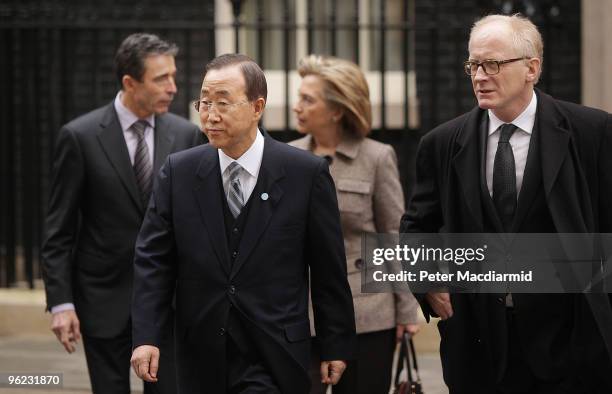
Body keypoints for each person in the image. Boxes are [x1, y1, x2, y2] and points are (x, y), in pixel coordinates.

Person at [401, 14, 612, 394]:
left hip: (571, 345)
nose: (480, 76)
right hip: (479, 346)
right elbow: (417, 226)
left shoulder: (592, 132)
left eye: (493, 64)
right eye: (473, 64)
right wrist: (428, 281)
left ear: (532, 68)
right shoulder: (441, 143)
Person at [130, 53, 356, 394]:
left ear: (257, 107)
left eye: (223, 102)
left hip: (275, 353)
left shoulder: (304, 174)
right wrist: (146, 337)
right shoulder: (179, 172)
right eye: (204, 102)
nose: (211, 115)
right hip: (199, 354)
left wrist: (334, 342)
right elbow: (153, 261)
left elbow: (328, 268)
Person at [41, 33, 201, 394]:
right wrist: (61, 303)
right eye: (161, 78)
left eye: (173, 76)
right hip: (104, 299)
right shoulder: (79, 137)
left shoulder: (188, 135)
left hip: (168, 302)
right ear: (130, 82)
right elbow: (58, 230)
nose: (173, 88)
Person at [289, 54, 420, 394]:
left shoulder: (377, 157)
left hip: (367, 315)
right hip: (301, 314)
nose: (295, 106)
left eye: (307, 99)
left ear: (336, 110)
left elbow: (393, 237)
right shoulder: (287, 158)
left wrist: (407, 312)